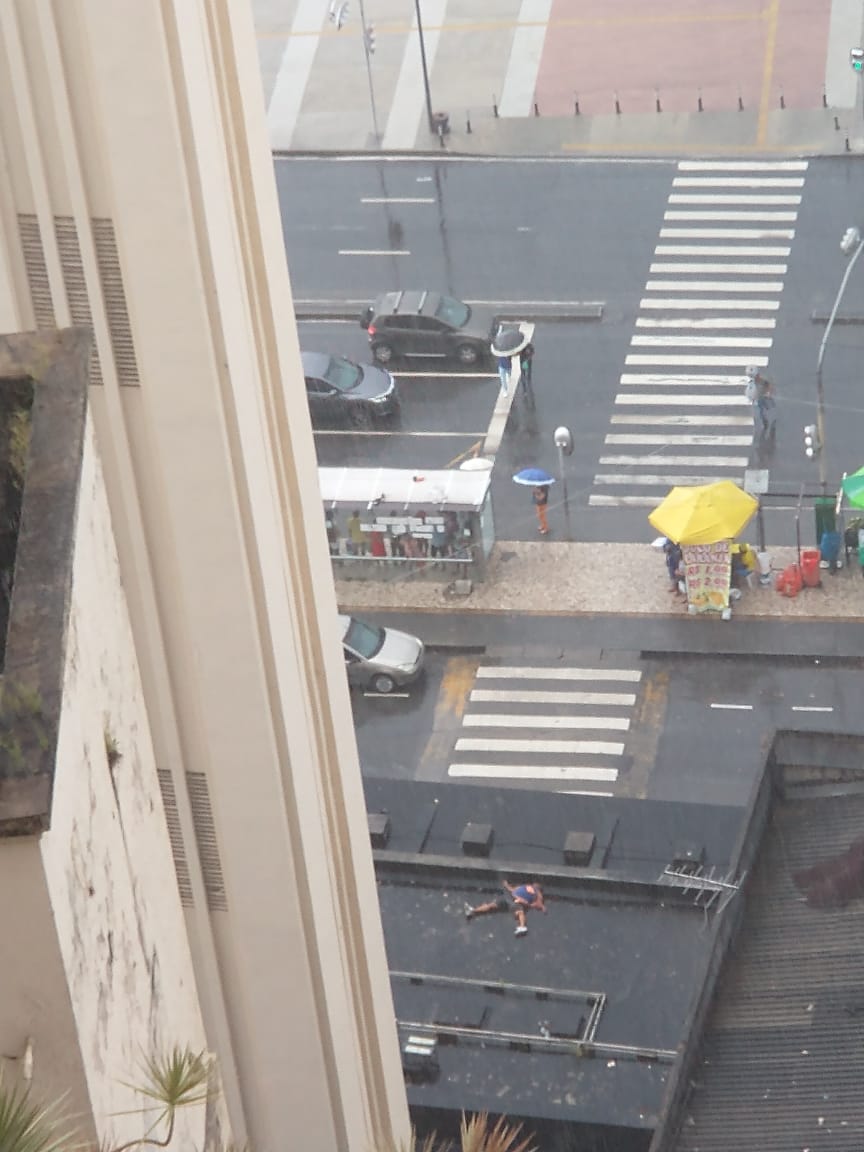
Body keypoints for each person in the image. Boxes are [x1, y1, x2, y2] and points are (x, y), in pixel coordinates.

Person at [465, 881, 547, 937]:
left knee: (519, 912)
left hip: (518, 902)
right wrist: (507, 885)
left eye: (537, 884)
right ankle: (473, 911)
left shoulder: (538, 893)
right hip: (510, 899)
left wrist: (527, 903)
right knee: (492, 905)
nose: (535, 884)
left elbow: (539, 905)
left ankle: (522, 927)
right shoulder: (526, 886)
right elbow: (513, 890)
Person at [745, 367, 776, 439]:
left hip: (763, 398)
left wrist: (768, 392)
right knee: (761, 411)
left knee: (768, 407)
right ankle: (765, 422)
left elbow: (768, 386)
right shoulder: (752, 383)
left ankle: (770, 420)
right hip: (759, 399)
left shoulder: (761, 381)